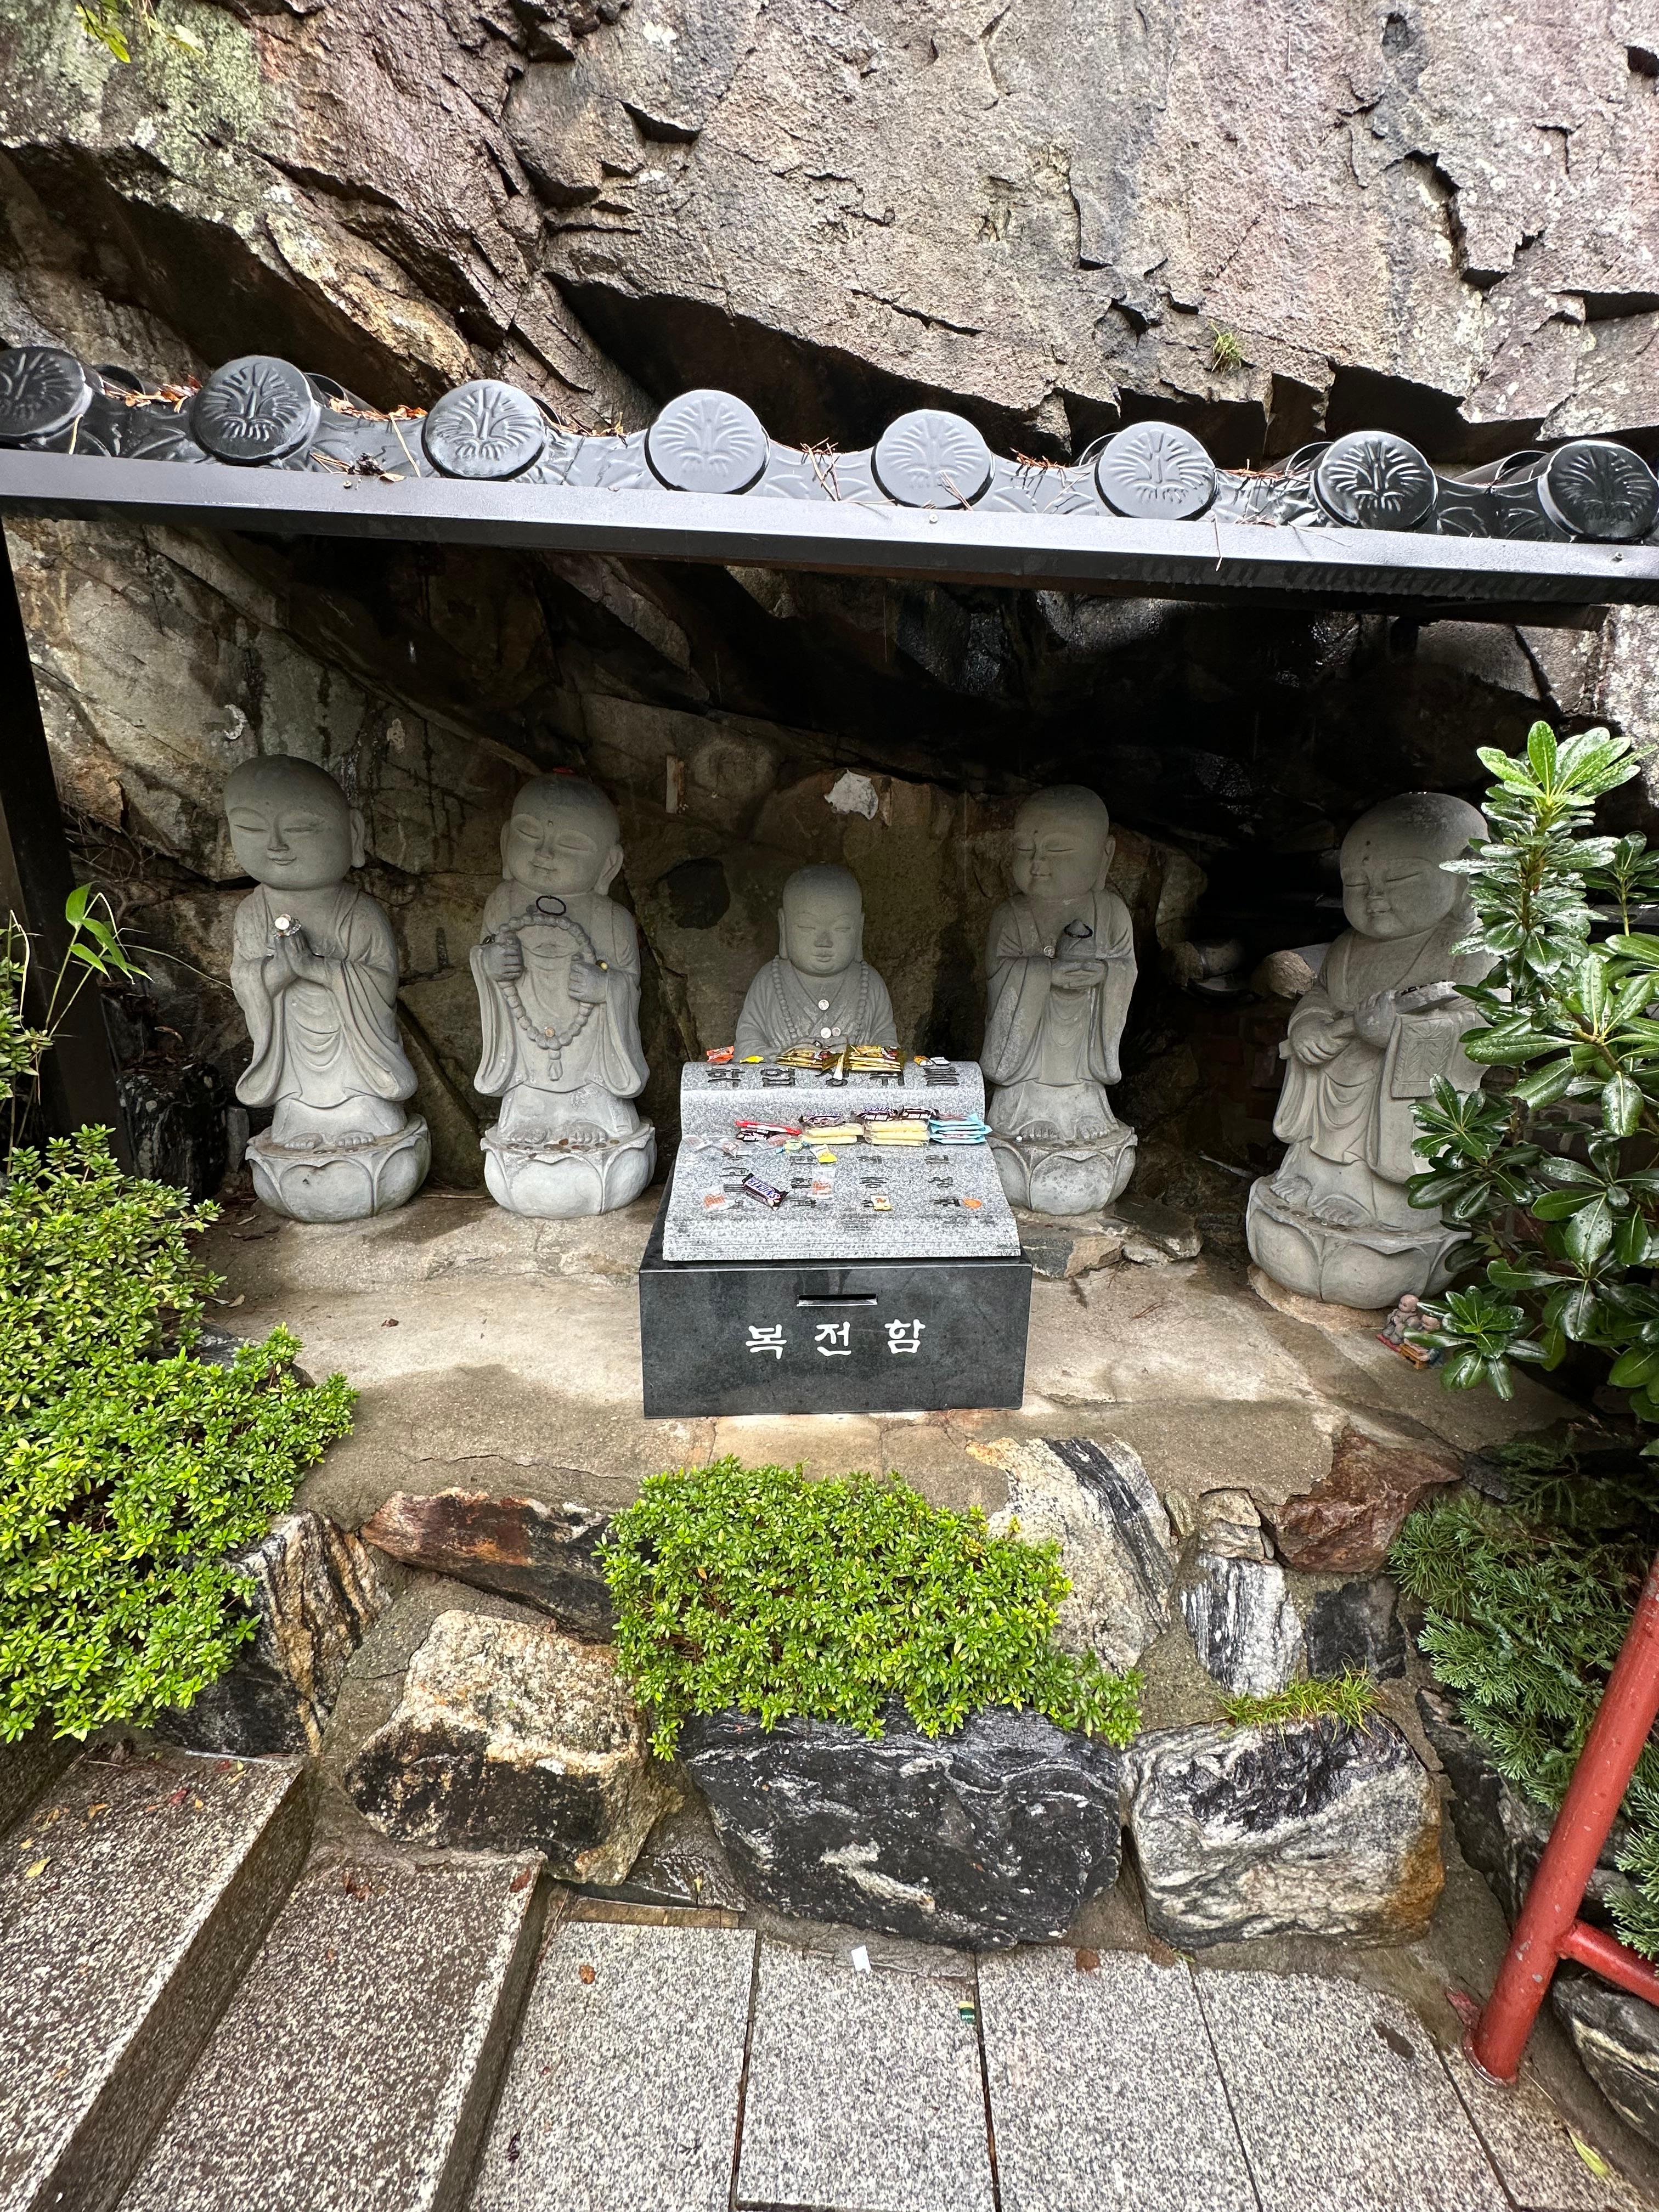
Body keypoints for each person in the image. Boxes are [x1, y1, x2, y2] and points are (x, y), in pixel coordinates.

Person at [1267, 791, 1490, 1233]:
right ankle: (1310, 1177)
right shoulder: (1348, 947)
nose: (1375, 898)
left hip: (1391, 1099)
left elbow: (1482, 1028)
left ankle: (1372, 1200)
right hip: (1334, 1077)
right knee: (1325, 1110)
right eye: (1355, 884)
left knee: (1373, 1095)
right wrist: (1309, 1024)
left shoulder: (1471, 948)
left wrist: (1398, 1035)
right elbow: (1322, 995)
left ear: (1466, 877)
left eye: (1401, 878)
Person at [226, 754, 416, 1150]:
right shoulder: (252, 912)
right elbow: (244, 980)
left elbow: (382, 984)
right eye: (251, 828)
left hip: (358, 1070)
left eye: (299, 828)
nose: (276, 846)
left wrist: (316, 968)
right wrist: (280, 970)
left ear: (353, 833)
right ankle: (299, 1114)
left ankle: (360, 1111)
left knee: (368, 1113)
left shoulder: (359, 912)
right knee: (295, 1108)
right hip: (294, 1069)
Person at [471, 775, 648, 1149]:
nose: (545, 853)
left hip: (591, 1062)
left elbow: (629, 982)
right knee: (528, 1092)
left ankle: (590, 1110)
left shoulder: (612, 919)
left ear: (609, 865)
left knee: (595, 1095)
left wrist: (606, 987)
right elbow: (484, 954)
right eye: (529, 833)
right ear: (505, 841)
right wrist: (489, 963)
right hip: (527, 1052)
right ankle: (530, 1110)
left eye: (570, 844)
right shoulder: (502, 902)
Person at [981, 786, 1136, 1143]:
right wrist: (1045, 974)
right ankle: (1028, 1111)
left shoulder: (1112, 913)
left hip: (1083, 1058)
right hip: (1027, 1072)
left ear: (1105, 855)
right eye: (1024, 849)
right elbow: (999, 974)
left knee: (1093, 1115)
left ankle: (1084, 1109)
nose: (1037, 864)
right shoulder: (1011, 916)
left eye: (1057, 850)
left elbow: (1125, 968)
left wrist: (1106, 974)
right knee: (1015, 1146)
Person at [735, 864, 898, 1060]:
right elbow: (745, 1050)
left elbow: (891, 1051)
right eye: (807, 927)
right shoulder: (769, 980)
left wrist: (854, 1055)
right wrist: (786, 1057)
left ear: (859, 928)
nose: (824, 942)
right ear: (784, 925)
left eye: (842, 928)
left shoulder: (870, 982)